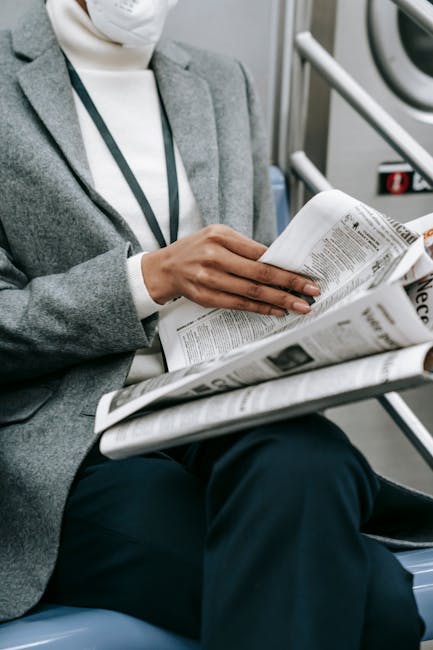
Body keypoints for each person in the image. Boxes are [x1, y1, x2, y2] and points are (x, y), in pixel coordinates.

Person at [0, 0, 431, 648]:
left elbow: (265, 277)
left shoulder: (221, 79)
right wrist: (145, 280)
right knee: (380, 607)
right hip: (73, 444)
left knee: (311, 456)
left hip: (222, 403)